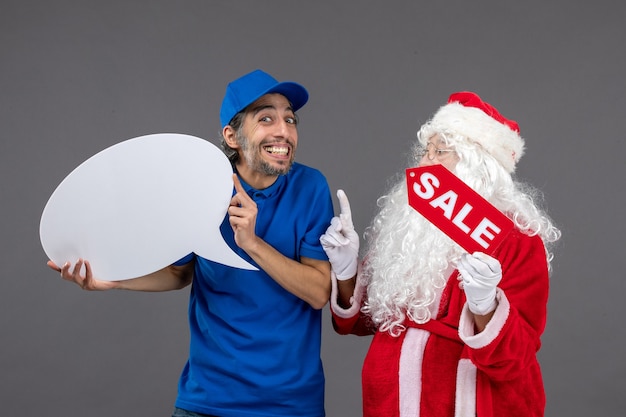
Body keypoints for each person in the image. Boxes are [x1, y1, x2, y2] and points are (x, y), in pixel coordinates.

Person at [48, 69, 334, 417]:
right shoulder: (201, 188)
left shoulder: (310, 187)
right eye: (266, 119)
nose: (284, 131)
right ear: (232, 135)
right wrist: (114, 280)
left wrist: (253, 243)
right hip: (208, 401)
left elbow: (319, 292)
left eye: (290, 119)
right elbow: (178, 273)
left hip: (291, 405)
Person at [320, 92, 561, 417]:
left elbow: (516, 358)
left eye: (441, 152)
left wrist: (486, 306)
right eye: (426, 151)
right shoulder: (408, 230)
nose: (424, 162)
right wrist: (346, 269)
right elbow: (364, 320)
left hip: (466, 402)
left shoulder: (519, 241)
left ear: (479, 167)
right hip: (390, 403)